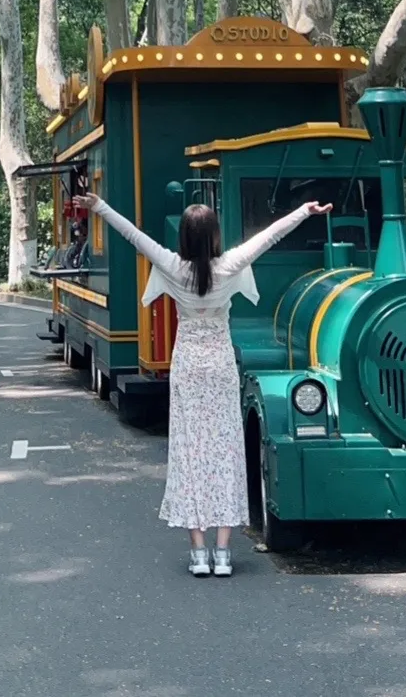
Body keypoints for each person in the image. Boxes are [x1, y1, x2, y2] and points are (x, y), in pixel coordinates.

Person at [84, 189, 329, 579]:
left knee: (188, 451)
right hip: (218, 366)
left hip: (187, 367)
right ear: (215, 235)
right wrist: (304, 210)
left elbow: (132, 234)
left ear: (183, 236)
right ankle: (224, 551)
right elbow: (270, 236)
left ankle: (198, 553)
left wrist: (99, 206)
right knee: (225, 450)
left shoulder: (171, 265)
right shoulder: (230, 265)